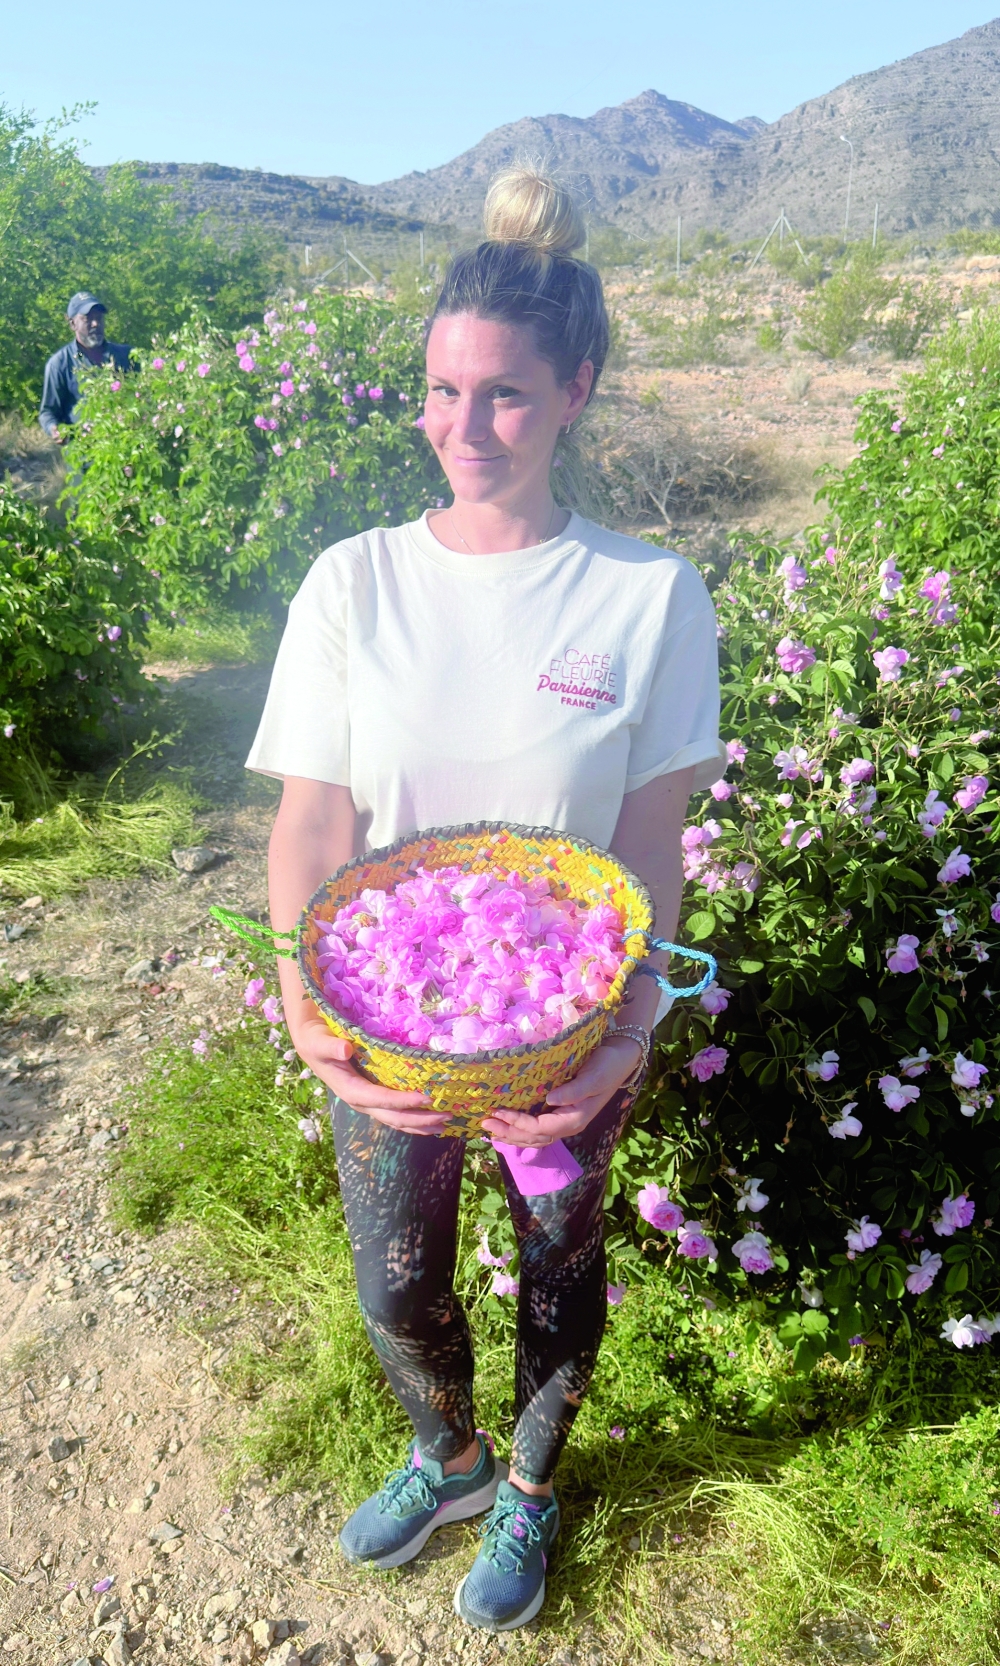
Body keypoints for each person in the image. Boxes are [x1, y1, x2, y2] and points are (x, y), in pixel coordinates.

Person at [247, 164, 724, 1634]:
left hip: (565, 1029)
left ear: (576, 388)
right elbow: (313, 818)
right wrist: (301, 998)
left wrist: (629, 1032)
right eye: (442, 393)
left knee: (557, 1271)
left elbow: (650, 850)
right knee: (397, 1286)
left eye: (505, 396)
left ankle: (526, 1477)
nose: (464, 429)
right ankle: (444, 1453)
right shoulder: (356, 580)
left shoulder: (647, 597)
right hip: (385, 1029)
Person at [39, 292, 131, 444]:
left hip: (125, 453)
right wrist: (53, 428)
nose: (95, 323)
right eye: (87, 318)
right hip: (84, 456)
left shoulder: (125, 356)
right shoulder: (59, 364)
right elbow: (48, 412)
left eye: (99, 318)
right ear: (72, 324)